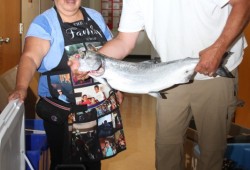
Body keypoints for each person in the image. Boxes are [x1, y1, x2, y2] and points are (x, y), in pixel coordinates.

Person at [69, 0, 249, 170]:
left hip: (217, 70)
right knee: (166, 150)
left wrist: (219, 48)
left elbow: (243, 3)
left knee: (211, 152)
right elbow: (124, 41)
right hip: (169, 75)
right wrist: (90, 61)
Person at [8, 0, 126, 170]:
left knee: (93, 161)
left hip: (98, 107)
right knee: (66, 164)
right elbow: (30, 57)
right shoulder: (44, 22)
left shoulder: (95, 17)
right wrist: (21, 87)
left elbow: (111, 57)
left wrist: (117, 87)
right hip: (63, 111)